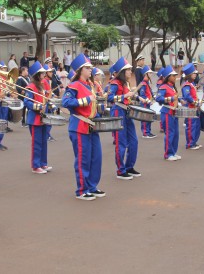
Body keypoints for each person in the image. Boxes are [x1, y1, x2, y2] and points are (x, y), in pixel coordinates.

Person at [62, 54, 105, 201]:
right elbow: (66, 102)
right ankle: (82, 190)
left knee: (96, 157)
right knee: (83, 159)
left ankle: (92, 186)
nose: (90, 70)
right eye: (87, 68)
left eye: (91, 68)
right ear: (80, 70)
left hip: (91, 125)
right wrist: (86, 100)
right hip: (79, 126)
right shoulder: (74, 85)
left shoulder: (90, 85)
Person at [108, 57, 140, 180]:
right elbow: (110, 98)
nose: (130, 72)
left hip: (126, 112)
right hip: (118, 112)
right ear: (122, 72)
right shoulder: (114, 83)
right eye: (128, 70)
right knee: (120, 142)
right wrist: (124, 95)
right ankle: (120, 170)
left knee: (134, 141)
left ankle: (129, 166)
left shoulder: (125, 84)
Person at [24, 61, 52, 174]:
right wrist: (38, 106)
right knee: (37, 143)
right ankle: (35, 166)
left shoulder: (41, 85)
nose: (43, 75)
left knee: (43, 141)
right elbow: (26, 102)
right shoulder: (30, 87)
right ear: (37, 74)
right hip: (35, 118)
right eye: (41, 73)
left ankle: (43, 163)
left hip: (43, 117)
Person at [156, 66, 181, 161]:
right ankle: (168, 154)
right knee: (170, 133)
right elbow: (158, 99)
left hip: (174, 112)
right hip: (167, 112)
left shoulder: (172, 87)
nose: (175, 77)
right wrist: (170, 99)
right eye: (173, 76)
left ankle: (173, 152)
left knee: (176, 134)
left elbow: (174, 97)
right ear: (168, 77)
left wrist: (180, 100)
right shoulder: (163, 87)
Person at [181, 63, 201, 150]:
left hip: (194, 107)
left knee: (195, 126)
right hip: (189, 108)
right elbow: (187, 96)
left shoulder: (192, 84)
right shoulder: (186, 85)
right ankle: (189, 144)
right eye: (194, 73)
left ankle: (194, 142)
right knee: (190, 126)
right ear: (189, 75)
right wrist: (194, 102)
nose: (195, 75)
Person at [138, 65, 156, 139]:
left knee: (149, 118)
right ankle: (145, 133)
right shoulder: (143, 84)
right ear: (146, 74)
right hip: (145, 104)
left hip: (148, 103)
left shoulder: (147, 83)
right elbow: (142, 95)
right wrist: (148, 101)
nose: (151, 74)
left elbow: (150, 92)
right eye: (150, 73)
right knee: (145, 118)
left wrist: (154, 97)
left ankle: (148, 131)